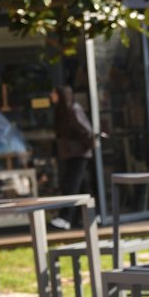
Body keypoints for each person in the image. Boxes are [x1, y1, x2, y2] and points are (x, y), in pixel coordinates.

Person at [49, 85, 94, 230]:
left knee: (71, 185)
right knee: (83, 186)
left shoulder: (73, 109)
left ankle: (66, 217)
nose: (51, 95)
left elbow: (85, 130)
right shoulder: (63, 110)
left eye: (54, 93)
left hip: (78, 153)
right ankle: (91, 215)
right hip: (71, 153)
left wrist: (86, 143)